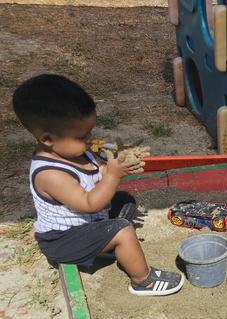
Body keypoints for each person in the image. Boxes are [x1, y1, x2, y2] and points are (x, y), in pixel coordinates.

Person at [12, 74, 185, 296]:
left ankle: (103, 240)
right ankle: (143, 280)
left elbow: (97, 171)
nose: (90, 139)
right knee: (122, 229)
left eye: (90, 132)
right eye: (83, 135)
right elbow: (90, 203)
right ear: (47, 139)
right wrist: (112, 177)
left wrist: (109, 168)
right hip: (64, 240)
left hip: (82, 222)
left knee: (125, 200)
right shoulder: (51, 174)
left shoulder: (71, 149)